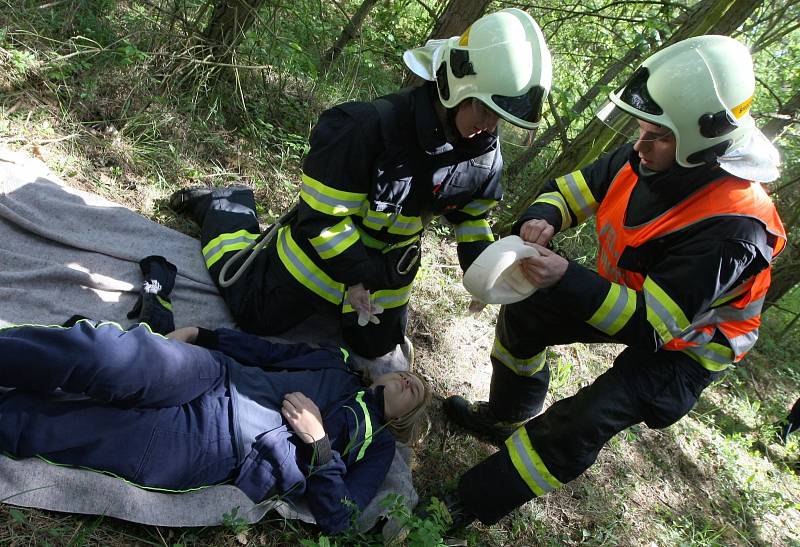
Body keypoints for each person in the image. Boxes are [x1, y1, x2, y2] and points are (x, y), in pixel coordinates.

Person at [440, 35, 787, 528]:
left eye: (658, 136)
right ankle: (504, 415)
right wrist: (545, 216)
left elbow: (652, 325)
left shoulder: (735, 228)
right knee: (528, 311)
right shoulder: (654, 151)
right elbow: (572, 190)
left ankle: (471, 504)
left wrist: (565, 277)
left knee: (583, 420)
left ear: (702, 143)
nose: (641, 144)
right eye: (644, 128)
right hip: (632, 304)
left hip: (686, 348)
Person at [169, 8, 552, 365]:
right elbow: (321, 219)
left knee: (373, 348)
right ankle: (224, 205)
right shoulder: (367, 127)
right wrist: (357, 277)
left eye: (500, 117)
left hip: (387, 273)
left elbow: (471, 217)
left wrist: (485, 273)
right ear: (456, 85)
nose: (489, 126)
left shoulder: (484, 156)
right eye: (485, 109)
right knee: (255, 314)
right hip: (316, 259)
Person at [0, 319, 430, 534]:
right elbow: (267, 353)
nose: (411, 380)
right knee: (103, 355)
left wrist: (319, 446)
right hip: (212, 374)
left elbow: (341, 518)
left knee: (70, 428)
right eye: (409, 375)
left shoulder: (376, 449)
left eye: (418, 392)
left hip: (215, 446)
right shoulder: (335, 362)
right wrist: (204, 335)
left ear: (403, 419)